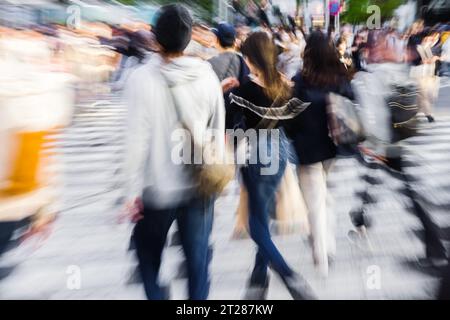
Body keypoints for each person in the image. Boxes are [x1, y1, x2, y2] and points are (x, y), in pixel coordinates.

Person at [123, 4, 225, 300]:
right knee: (197, 263)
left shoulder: (140, 79)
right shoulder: (207, 75)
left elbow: (135, 141)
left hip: (157, 190)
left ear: (155, 38)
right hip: (199, 186)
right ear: (189, 38)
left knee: (147, 258)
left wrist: (129, 192)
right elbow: (217, 128)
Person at [226, 32, 316, 300]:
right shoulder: (286, 86)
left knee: (255, 225)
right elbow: (295, 125)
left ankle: (290, 277)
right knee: (261, 215)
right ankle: (258, 279)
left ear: (251, 59)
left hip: (255, 155)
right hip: (280, 154)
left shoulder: (241, 90)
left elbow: (231, 129)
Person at [285, 31, 354, 278]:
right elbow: (353, 104)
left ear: (309, 53)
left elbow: (290, 118)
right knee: (322, 194)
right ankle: (329, 245)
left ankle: (321, 254)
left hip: (307, 148)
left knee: (313, 201)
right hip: (333, 146)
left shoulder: (301, 80)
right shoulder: (341, 76)